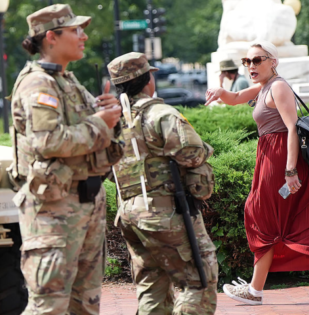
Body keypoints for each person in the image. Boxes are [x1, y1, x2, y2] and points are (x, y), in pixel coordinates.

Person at [205, 40, 309, 306]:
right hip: (271, 160)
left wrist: (290, 171)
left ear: (273, 61)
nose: (251, 65)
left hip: (282, 163)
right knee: (278, 220)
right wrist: (219, 90)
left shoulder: (279, 87)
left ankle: (257, 290)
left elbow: (292, 130)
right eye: (247, 61)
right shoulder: (263, 88)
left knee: (265, 217)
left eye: (257, 60)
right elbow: (236, 98)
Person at [9, 4, 123, 314]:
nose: (83, 36)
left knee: (85, 305)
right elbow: (49, 141)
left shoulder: (69, 83)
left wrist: (114, 119)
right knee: (49, 306)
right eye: (75, 30)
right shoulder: (38, 84)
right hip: (53, 213)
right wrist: (101, 122)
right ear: (51, 38)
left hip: (84, 206)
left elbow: (104, 143)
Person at [108, 52, 218, 315]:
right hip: (163, 212)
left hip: (129, 214)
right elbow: (192, 154)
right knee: (198, 279)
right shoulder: (160, 113)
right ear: (148, 80)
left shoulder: (114, 120)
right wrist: (205, 149)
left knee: (152, 284)